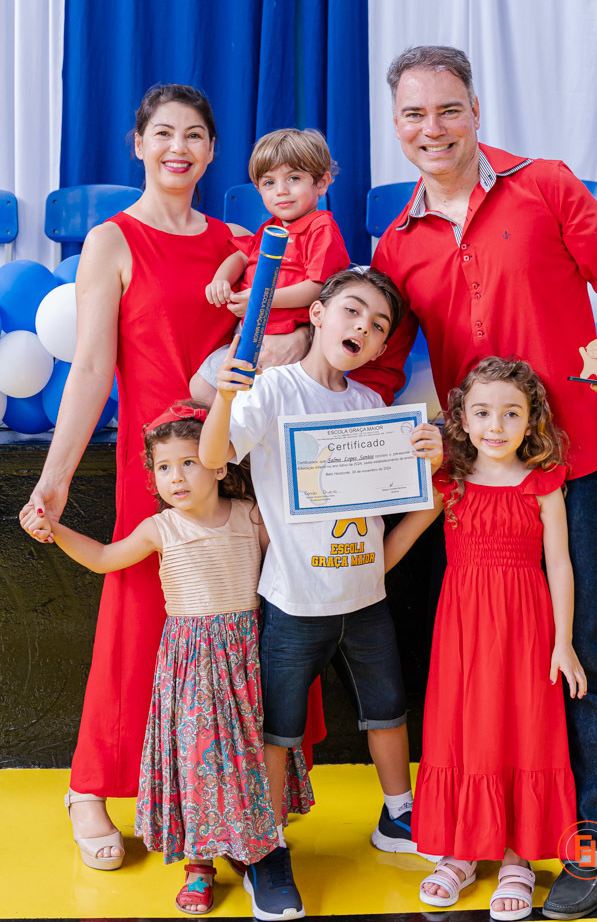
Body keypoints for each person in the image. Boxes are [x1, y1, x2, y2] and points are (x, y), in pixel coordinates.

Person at [351, 46, 597, 919]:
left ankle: (588, 844)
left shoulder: (547, 185)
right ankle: (492, 834)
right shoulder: (395, 243)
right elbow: (379, 362)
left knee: (588, 659)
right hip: (474, 490)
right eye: (414, 115)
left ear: (475, 110)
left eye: (447, 109)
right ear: (396, 126)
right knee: (485, 673)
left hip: (575, 463)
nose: (432, 129)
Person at [19, 84, 314, 870]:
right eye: (163, 133)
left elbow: (282, 337)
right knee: (135, 620)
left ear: (212, 152)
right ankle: (90, 787)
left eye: (193, 136)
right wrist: (54, 479)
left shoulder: (237, 242)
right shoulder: (111, 241)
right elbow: (91, 367)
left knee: (239, 622)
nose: (177, 147)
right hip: (153, 468)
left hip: (229, 459)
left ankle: (229, 795)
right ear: (138, 144)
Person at [199, 268, 444, 922]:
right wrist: (224, 396)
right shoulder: (274, 389)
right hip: (293, 602)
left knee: (387, 710)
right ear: (317, 313)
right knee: (278, 729)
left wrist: (429, 456)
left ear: (382, 346)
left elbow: (409, 497)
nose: (363, 327)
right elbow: (214, 457)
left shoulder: (370, 407)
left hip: (365, 601)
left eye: (378, 325)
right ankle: (266, 847)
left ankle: (397, 815)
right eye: (353, 311)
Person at [21, 402, 313, 915]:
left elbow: (292, 555)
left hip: (248, 659)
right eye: (163, 467)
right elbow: (104, 558)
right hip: (192, 665)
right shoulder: (161, 528)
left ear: (219, 465)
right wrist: (55, 530)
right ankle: (199, 866)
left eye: (189, 463)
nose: (175, 477)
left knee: (248, 757)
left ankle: (248, 843)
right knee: (197, 761)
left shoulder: (250, 515)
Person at [385, 357, 586, 916]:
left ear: (531, 420)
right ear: (462, 420)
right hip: (463, 629)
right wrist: (344, 575)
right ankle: (462, 851)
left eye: (511, 413)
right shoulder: (449, 483)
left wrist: (563, 641)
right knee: (463, 728)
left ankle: (519, 857)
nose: (495, 425)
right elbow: (398, 543)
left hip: (527, 626)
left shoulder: (543, 484)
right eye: (482, 412)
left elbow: (560, 564)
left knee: (524, 728)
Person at [190, 127, 350, 403]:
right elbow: (242, 257)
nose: (282, 191)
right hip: (248, 335)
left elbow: (318, 287)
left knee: (264, 402)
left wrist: (261, 299)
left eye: (294, 178)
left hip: (290, 341)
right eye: (269, 183)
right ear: (258, 190)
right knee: (201, 387)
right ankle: (234, 431)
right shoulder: (269, 229)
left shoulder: (321, 227)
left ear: (321, 183)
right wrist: (220, 279)